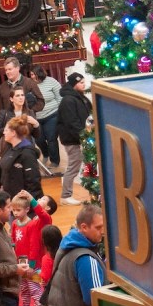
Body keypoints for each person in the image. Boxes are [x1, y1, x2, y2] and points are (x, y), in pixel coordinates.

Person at [48, 204, 106, 306]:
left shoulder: (68, 244)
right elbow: (95, 297)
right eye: (98, 228)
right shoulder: (86, 258)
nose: (103, 232)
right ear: (84, 227)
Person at [11, 190, 54, 306]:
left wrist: (31, 198)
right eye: (14, 210)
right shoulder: (14, 224)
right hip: (21, 265)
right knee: (23, 289)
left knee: (35, 290)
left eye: (18, 209)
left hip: (32, 266)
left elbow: (34, 246)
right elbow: (13, 242)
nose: (15, 213)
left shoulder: (35, 223)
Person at [57, 72, 92, 206]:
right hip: (72, 139)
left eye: (84, 82)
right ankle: (66, 195)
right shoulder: (68, 100)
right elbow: (72, 122)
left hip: (80, 137)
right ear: (73, 84)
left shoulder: (80, 98)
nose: (83, 84)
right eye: (80, 82)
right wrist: (84, 135)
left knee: (82, 164)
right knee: (73, 165)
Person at [0, 115, 43, 201]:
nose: (3, 133)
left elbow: (33, 182)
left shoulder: (27, 153)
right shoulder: (10, 149)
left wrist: (26, 204)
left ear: (13, 133)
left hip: (21, 205)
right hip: (9, 200)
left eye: (6, 130)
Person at [0, 85, 41, 156]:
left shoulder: (30, 113)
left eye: (22, 95)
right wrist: (8, 128)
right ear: (11, 99)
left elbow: (37, 135)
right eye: (17, 96)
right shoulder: (4, 113)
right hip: (9, 151)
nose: (21, 98)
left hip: (26, 151)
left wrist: (36, 124)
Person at [30, 65, 62, 168]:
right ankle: (46, 154)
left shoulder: (51, 81)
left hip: (52, 115)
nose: (31, 76)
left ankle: (54, 161)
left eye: (33, 74)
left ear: (39, 74)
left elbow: (60, 97)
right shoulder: (29, 85)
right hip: (37, 118)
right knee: (39, 139)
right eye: (30, 74)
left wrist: (60, 111)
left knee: (51, 138)